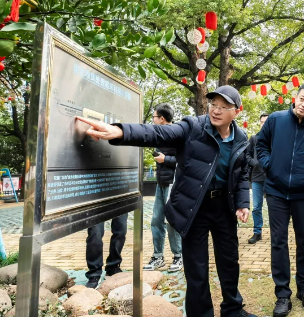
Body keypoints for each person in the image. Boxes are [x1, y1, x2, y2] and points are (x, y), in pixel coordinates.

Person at [77, 86, 255, 317]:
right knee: (197, 267)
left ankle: (233, 309)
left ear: (236, 112)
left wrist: (243, 203)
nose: (216, 110)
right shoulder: (193, 127)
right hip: (194, 208)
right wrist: (120, 131)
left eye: (224, 107)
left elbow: (241, 174)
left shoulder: (240, 138)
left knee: (229, 261)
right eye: (213, 104)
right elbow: (158, 133)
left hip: (224, 208)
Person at [256, 83, 304, 317]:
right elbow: (261, 146)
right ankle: (282, 294)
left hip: (303, 193)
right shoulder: (275, 120)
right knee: (278, 241)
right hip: (275, 192)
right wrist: (269, 166)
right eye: (302, 99)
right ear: (295, 97)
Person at [144, 103, 183, 272]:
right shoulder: (159, 135)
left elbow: (184, 160)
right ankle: (158, 256)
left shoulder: (177, 135)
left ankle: (178, 256)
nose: (152, 120)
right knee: (156, 220)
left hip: (173, 185)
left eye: (154, 117)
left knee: (171, 222)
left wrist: (165, 159)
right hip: (160, 184)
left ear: (161, 118)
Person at [85, 213, 128, 288]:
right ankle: (94, 273)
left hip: (119, 205)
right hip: (96, 206)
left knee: (121, 230)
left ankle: (113, 266)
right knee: (95, 233)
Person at [245, 114, 269, 244]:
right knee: (256, 207)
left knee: (274, 207)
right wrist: (253, 162)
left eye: (266, 122)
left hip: (272, 178)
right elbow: (246, 154)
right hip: (256, 178)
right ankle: (257, 232)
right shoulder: (254, 138)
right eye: (262, 122)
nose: (264, 124)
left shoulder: (276, 138)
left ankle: (276, 232)